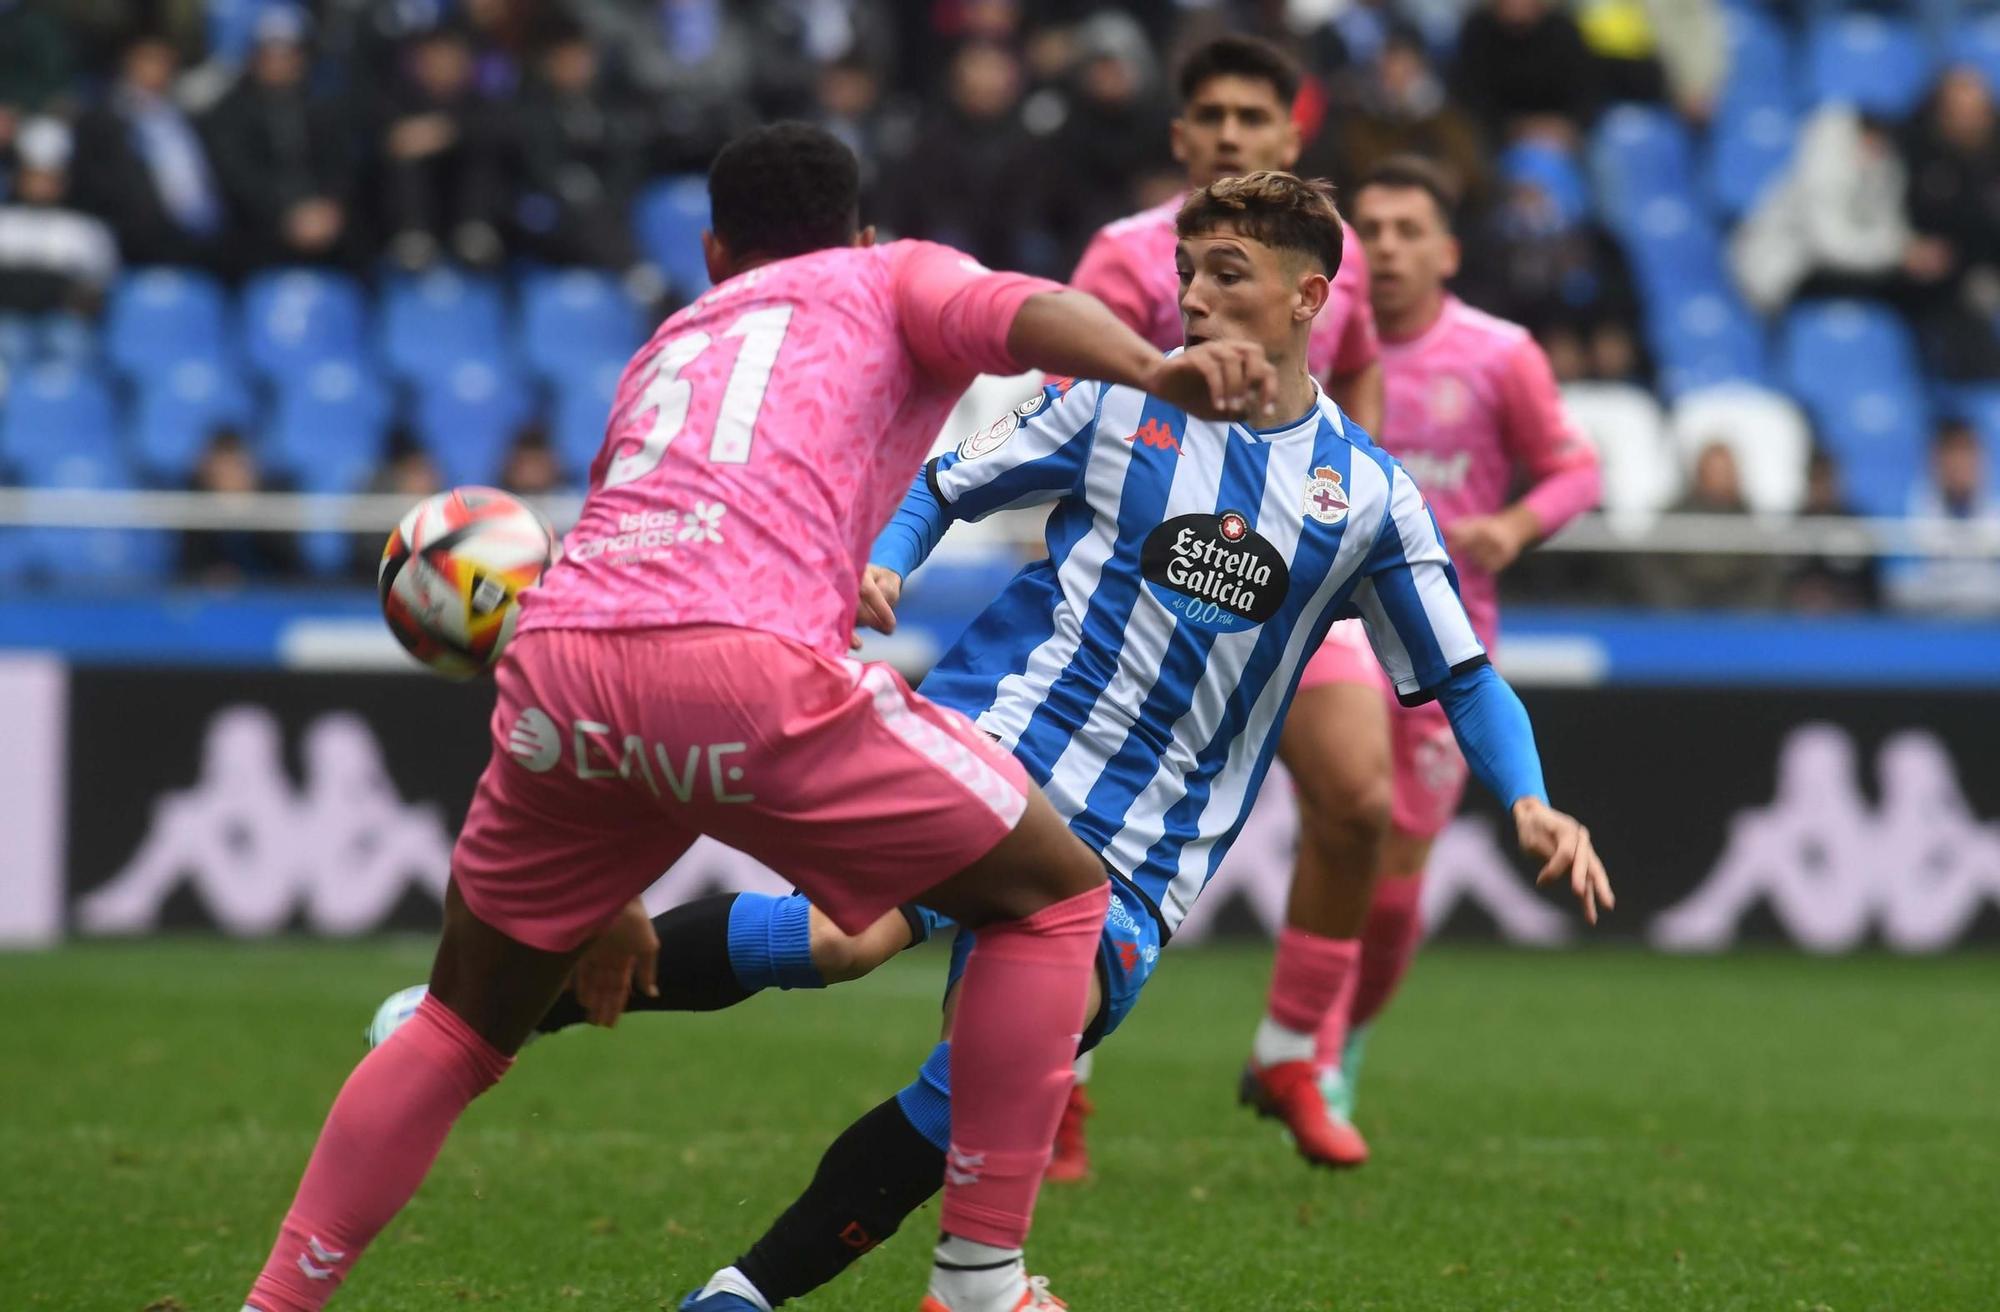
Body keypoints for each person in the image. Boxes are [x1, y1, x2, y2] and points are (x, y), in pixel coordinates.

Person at [368, 169, 1613, 1312]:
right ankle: (475, 1014)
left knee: (988, 1074)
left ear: (1306, 295)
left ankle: (747, 1292)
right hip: (998, 739)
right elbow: (945, 481)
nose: (1190, 294)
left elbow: (1459, 672)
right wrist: (888, 562)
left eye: (1224, 271)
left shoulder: (1372, 499)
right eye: (1184, 269)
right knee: (835, 939)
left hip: (1146, 841)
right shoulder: (1115, 404)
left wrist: (1528, 800)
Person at [236, 121, 1283, 1312]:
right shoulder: (887, 275)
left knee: (457, 1029)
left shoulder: (666, 343)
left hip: (560, 662)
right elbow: (1023, 307)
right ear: (859, 227)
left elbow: (626, 580)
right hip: (748, 664)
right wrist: (1152, 370)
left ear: (713, 250)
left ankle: (271, 1304)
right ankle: (980, 1283)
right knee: (1055, 893)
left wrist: (609, 885)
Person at [1061, 32, 1384, 1175]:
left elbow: (1353, 377)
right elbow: (1067, 401)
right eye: (1213, 116)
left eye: (1256, 116)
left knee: (1356, 797)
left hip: (1281, 569)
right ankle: (1055, 1086)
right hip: (1146, 574)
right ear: (1180, 137)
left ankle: (1291, 1048)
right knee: (1076, 832)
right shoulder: (1122, 255)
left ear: (1291, 136)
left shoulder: (1317, 262)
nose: (1233, 132)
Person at [1261, 156, 1602, 1157]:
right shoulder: (1302, 339)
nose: (1390, 246)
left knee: (1396, 863)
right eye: (1370, 226)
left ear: (1446, 250)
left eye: (1410, 228)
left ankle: (1336, 1040)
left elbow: (1575, 468)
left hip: (1438, 639)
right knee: (1339, 826)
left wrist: (1511, 523)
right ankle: (1300, 1051)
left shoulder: (1498, 356)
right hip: (1311, 628)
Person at [203, 7, 362, 271]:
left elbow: (341, 164)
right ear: (254, 57)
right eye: (271, 54)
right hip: (262, 223)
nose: (281, 63)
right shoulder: (228, 112)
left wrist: (331, 207)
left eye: (290, 54)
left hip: (326, 220)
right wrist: (288, 215)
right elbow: (238, 177)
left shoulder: (324, 105)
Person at [70, 28, 231, 271]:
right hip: (141, 243)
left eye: (165, 61)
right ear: (127, 63)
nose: (158, 68)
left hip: (208, 238)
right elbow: (98, 188)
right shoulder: (103, 121)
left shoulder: (191, 119)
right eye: (148, 59)